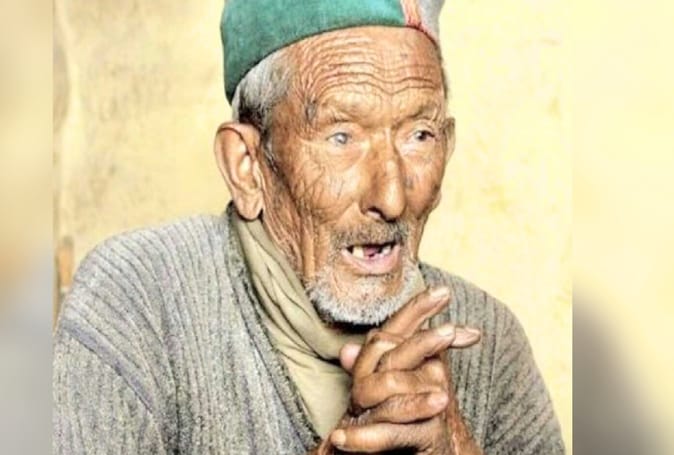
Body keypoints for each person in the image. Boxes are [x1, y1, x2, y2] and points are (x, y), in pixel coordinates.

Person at [53, 1, 565, 453]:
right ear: (247, 167)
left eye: (419, 135)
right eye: (341, 137)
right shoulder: (138, 304)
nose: (391, 198)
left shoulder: (488, 341)